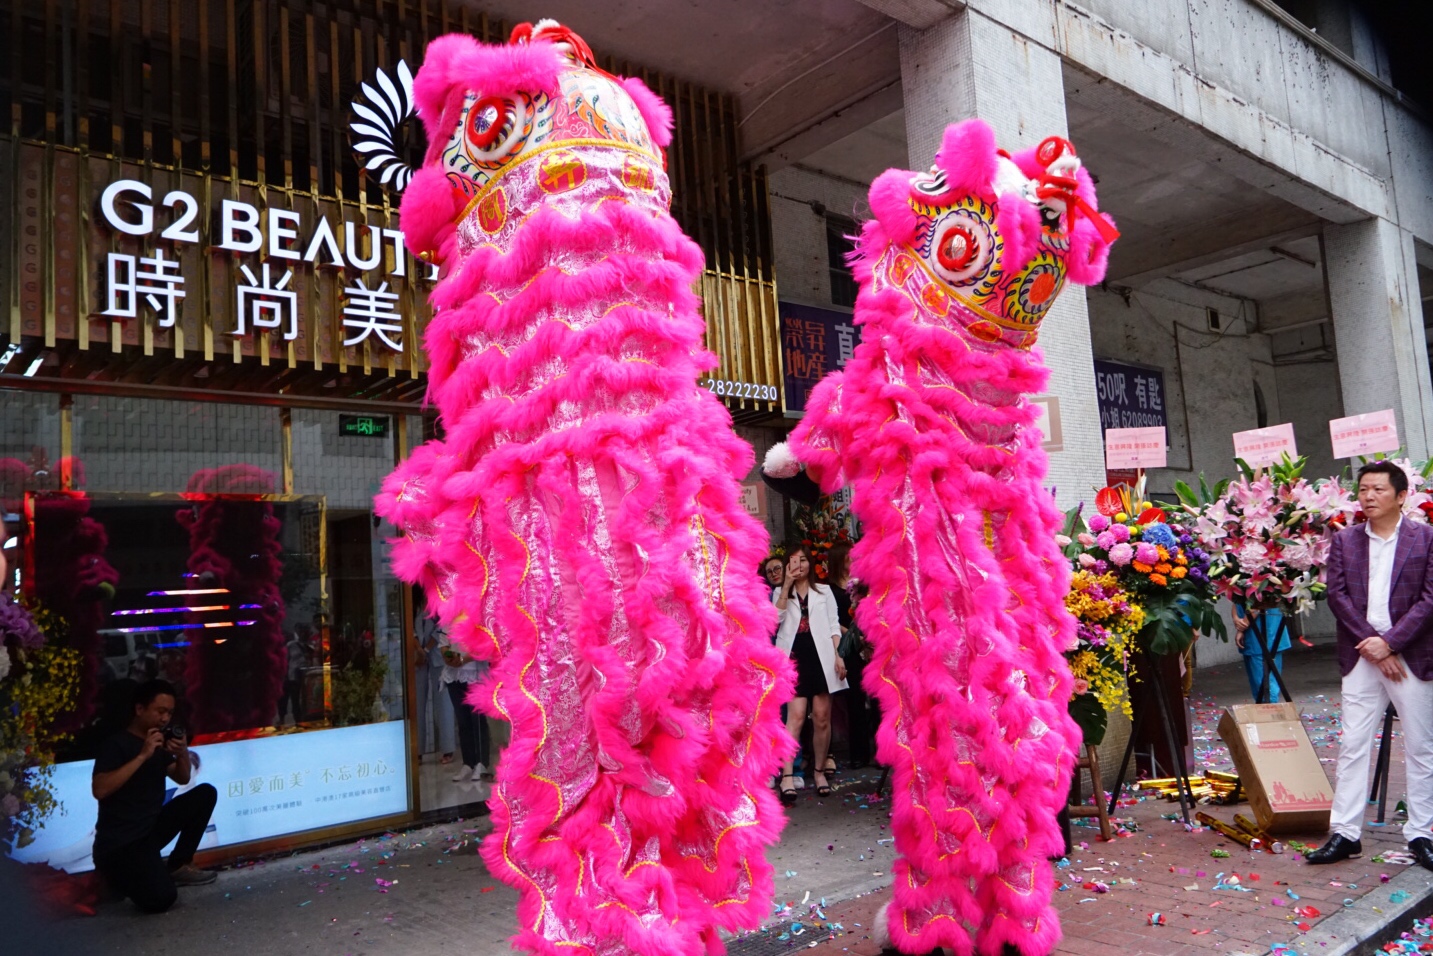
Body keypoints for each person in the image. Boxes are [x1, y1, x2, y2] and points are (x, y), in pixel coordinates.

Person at [1307, 461, 1433, 871]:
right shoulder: (1345, 540)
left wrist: (1392, 643)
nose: (1368, 496)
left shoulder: (1426, 538)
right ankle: (1345, 833)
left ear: (1401, 496)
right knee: (1353, 744)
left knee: (1421, 746)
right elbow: (1337, 595)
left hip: (1410, 655)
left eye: (1378, 489)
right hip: (1362, 654)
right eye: (1363, 489)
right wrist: (1375, 646)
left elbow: (1430, 599)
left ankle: (1421, 834)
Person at [91, 679, 218, 912]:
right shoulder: (116, 743)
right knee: (162, 899)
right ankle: (115, 879)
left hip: (149, 830)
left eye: (169, 713)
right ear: (140, 709)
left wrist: (182, 753)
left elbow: (182, 778)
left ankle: (178, 865)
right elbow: (100, 790)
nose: (165, 718)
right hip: (121, 842)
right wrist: (142, 756)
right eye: (160, 711)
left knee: (205, 794)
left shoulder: (159, 742)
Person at [773, 545, 847, 803]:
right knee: (795, 718)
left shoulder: (824, 591)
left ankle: (819, 771)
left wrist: (838, 655)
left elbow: (833, 626)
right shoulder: (780, 592)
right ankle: (787, 776)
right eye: (794, 561)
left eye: (803, 560)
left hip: (821, 657)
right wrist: (786, 585)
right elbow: (774, 621)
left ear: (810, 563)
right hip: (794, 657)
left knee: (822, 718)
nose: (799, 565)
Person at [829, 543, 876, 769]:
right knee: (855, 701)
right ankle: (858, 753)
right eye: (850, 556)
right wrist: (853, 634)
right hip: (849, 646)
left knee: (877, 700)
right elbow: (831, 619)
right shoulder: (830, 590)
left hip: (870, 644)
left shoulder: (863, 583)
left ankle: (881, 752)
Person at [413, 589, 456, 764]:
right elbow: (410, 629)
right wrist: (418, 650)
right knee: (417, 703)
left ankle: (448, 749)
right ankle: (417, 750)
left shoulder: (440, 601)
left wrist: (425, 650)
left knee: (443, 702)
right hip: (417, 658)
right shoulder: (412, 603)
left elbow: (441, 630)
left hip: (437, 655)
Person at [441, 636, 490, 788]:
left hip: (476, 674)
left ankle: (482, 763)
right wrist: (449, 657)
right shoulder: (447, 623)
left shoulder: (480, 621)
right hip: (454, 675)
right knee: (463, 721)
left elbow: (485, 646)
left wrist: (463, 659)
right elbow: (443, 644)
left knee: (478, 720)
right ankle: (468, 763)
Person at [1233, 603, 1290, 702]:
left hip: (1262, 633)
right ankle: (1265, 708)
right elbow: (1235, 601)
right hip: (1256, 632)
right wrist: (1236, 619)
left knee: (1265, 685)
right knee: (1260, 685)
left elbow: (1256, 606)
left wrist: (1241, 627)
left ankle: (1269, 709)